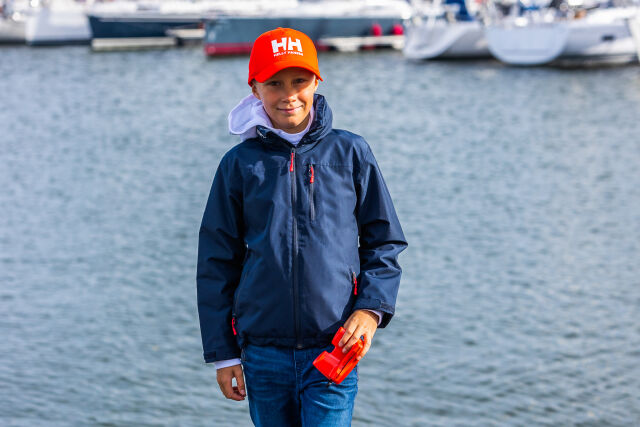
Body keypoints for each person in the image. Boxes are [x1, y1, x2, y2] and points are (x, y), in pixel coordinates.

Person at [197, 27, 408, 426]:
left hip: (334, 346)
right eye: (274, 84)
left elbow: (384, 242)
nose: (289, 94)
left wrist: (371, 310)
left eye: (299, 81)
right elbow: (216, 262)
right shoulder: (238, 165)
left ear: (316, 82)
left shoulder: (351, 152)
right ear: (255, 89)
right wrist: (223, 354)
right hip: (262, 353)